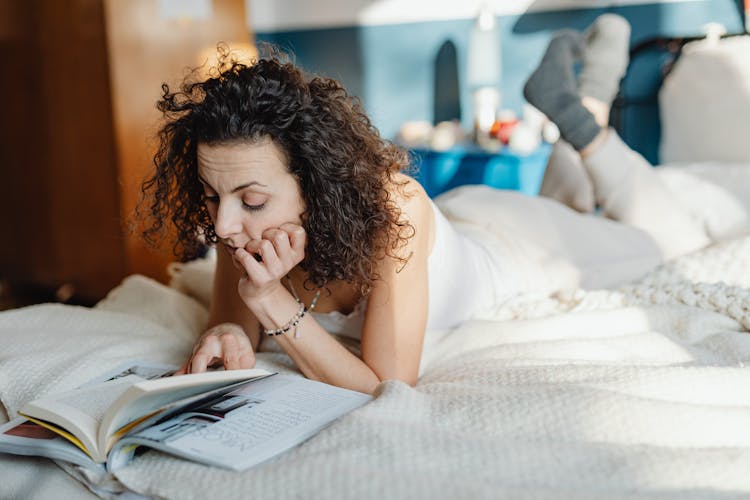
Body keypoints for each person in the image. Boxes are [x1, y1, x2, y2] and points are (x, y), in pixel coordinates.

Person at [138, 16, 716, 395]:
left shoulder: (395, 206)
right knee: (575, 203)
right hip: (462, 223)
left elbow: (386, 385)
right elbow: (231, 325)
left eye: (252, 200)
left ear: (314, 181)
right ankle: (584, 96)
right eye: (213, 197)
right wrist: (227, 335)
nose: (222, 225)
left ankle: (585, 116)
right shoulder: (240, 223)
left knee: (670, 237)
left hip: (520, 249)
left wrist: (268, 302)